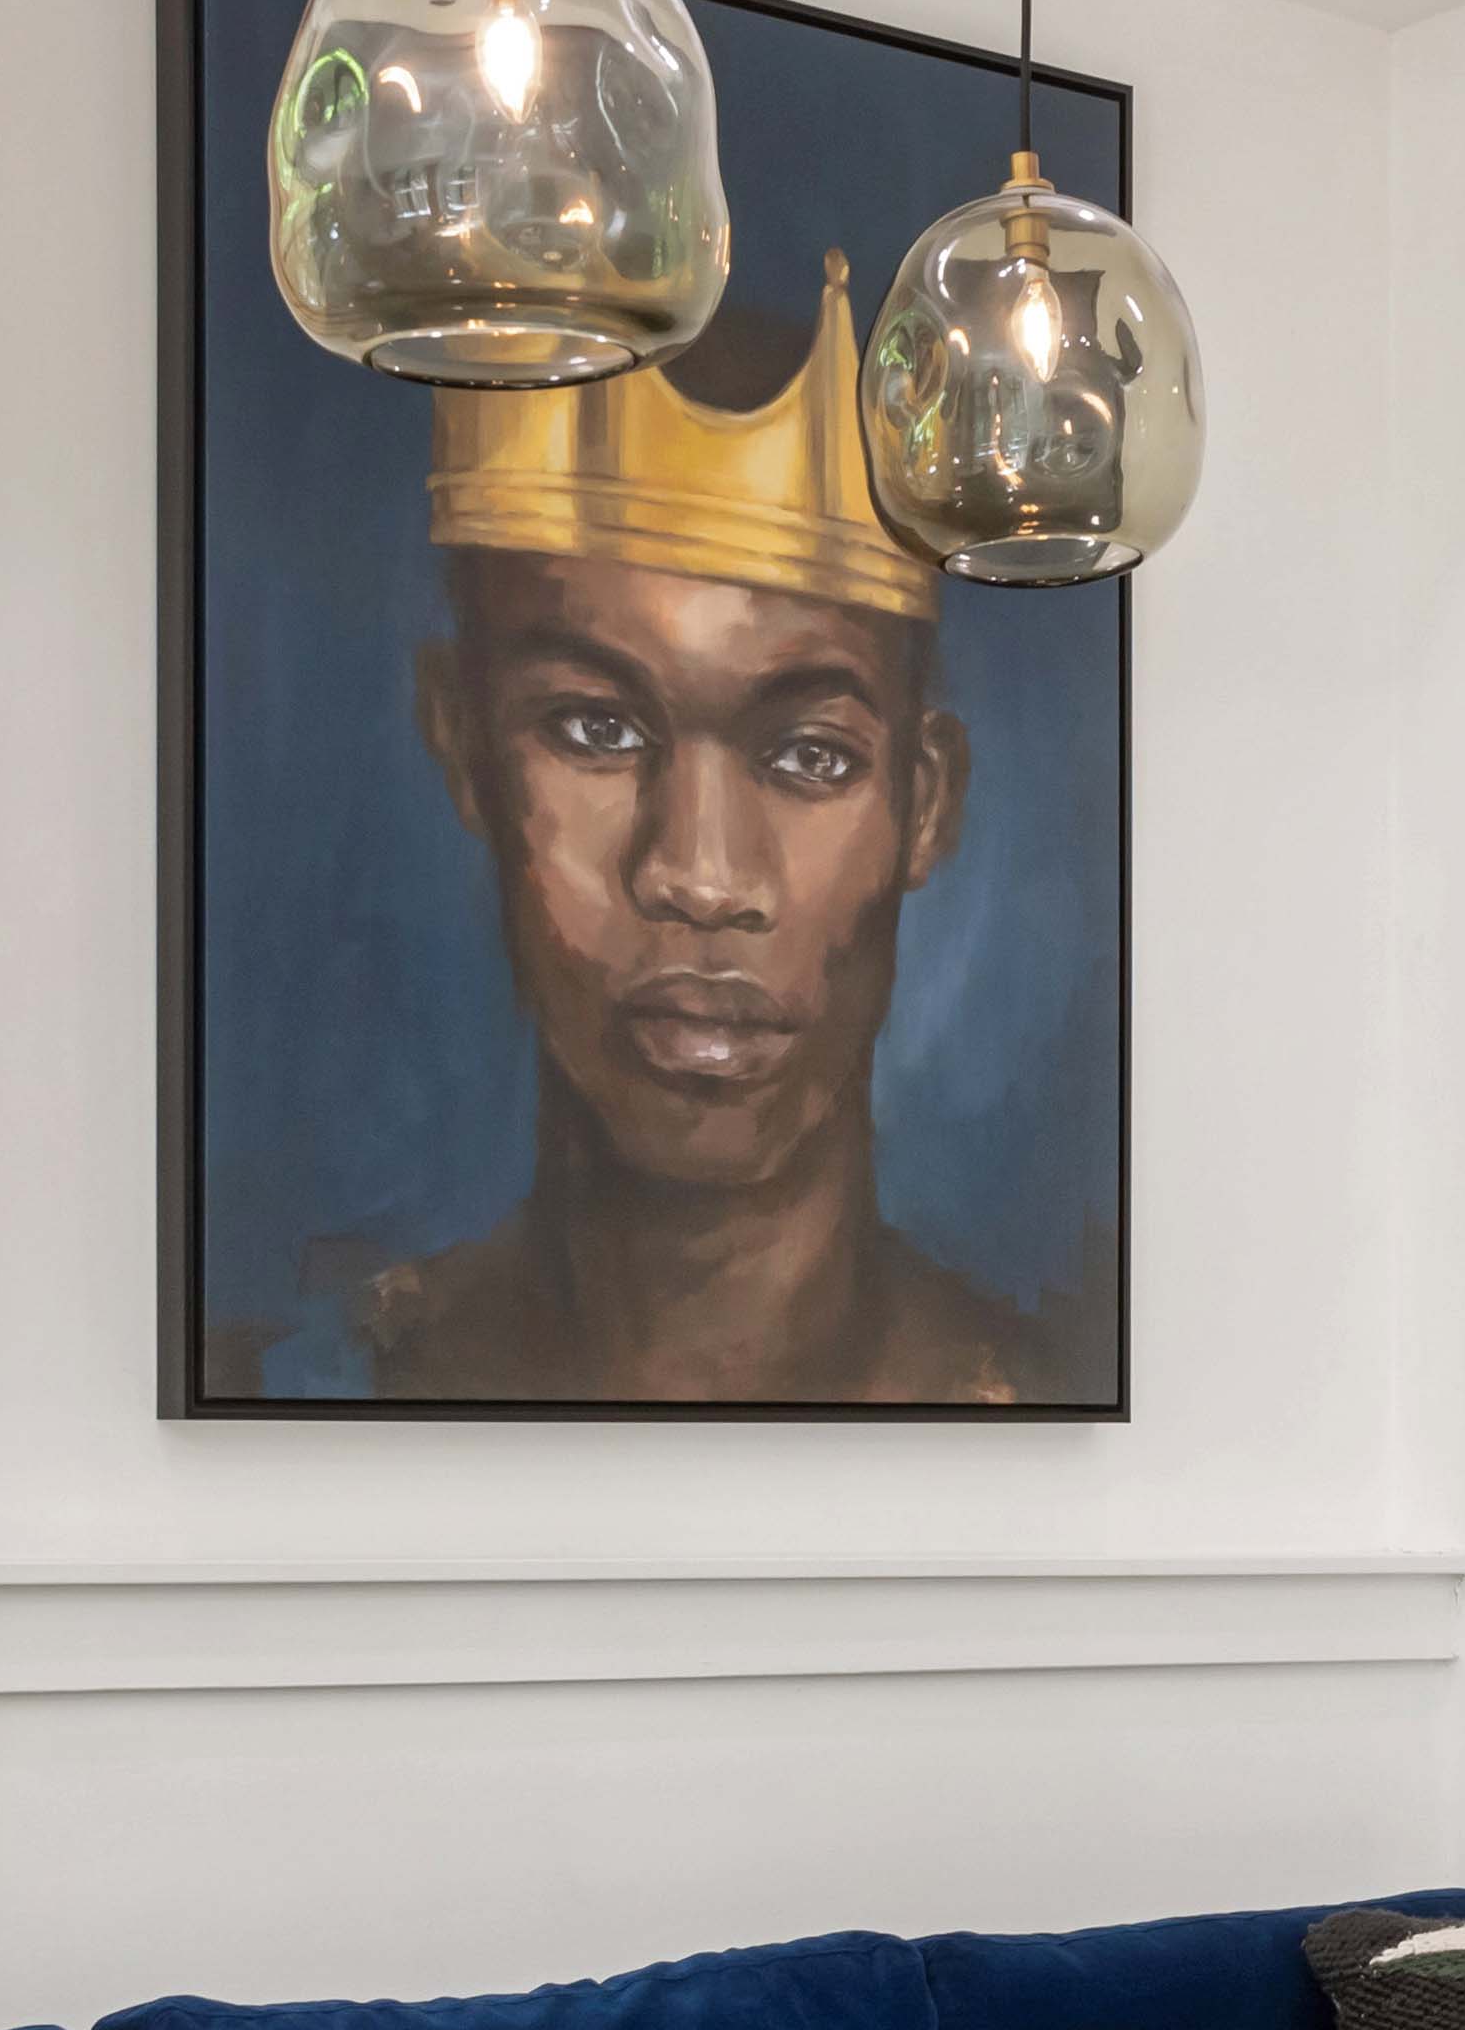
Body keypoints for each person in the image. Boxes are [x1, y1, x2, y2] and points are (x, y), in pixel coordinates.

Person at [310, 258, 1062, 1406]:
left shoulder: (1034, 1391)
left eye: (811, 755)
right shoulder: (319, 1369)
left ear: (924, 803)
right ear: (463, 746)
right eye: (595, 729)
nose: (701, 878)